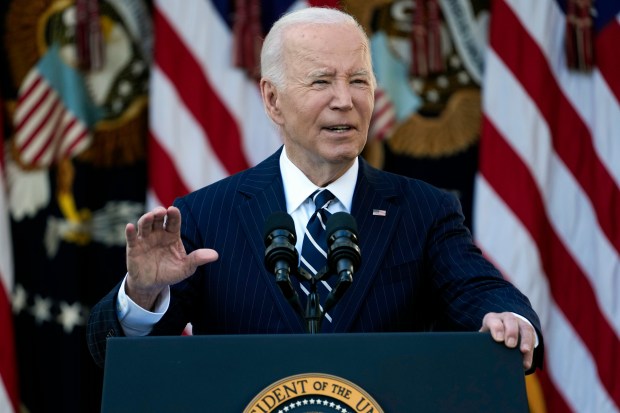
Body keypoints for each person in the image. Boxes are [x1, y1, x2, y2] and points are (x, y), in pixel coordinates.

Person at [87, 7, 543, 373]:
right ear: (272, 99)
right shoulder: (208, 214)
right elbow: (118, 356)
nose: (345, 99)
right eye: (322, 81)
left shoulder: (424, 210)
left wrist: (507, 318)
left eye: (359, 80)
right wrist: (142, 294)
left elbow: (480, 290)